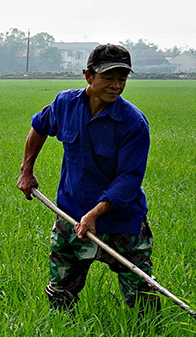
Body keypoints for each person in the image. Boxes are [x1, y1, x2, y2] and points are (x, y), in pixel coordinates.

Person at [16, 42, 159, 311]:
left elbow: (129, 178)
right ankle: (61, 335)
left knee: (143, 299)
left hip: (120, 221)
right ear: (88, 76)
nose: (116, 85)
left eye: (122, 78)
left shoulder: (133, 123)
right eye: (108, 77)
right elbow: (39, 127)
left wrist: (94, 214)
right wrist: (27, 171)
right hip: (70, 214)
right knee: (60, 294)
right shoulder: (65, 104)